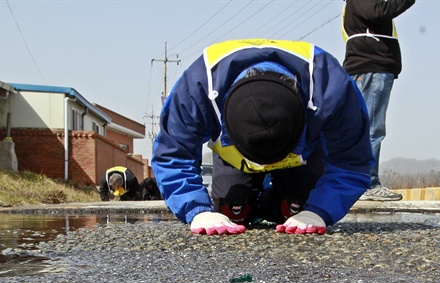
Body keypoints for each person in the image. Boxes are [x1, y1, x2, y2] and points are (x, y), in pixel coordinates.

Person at [152, 39, 373, 235]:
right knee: (234, 213)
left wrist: (318, 212)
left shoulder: (332, 89)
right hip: (234, 160)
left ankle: (275, 199)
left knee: (294, 211)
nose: (264, 166)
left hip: (301, 157)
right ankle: (250, 196)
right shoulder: (197, 89)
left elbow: (351, 163)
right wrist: (196, 211)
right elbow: (173, 156)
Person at [342, 0, 415, 201]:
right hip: (371, 67)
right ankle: (368, 184)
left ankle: (360, 183)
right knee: (372, 129)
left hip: (371, 68)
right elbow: (379, 12)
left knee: (366, 128)